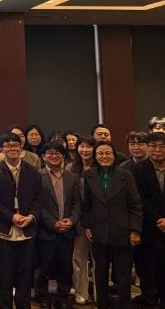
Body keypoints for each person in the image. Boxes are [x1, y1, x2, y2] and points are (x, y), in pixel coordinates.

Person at [0, 132, 42, 309]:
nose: (12, 148)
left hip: (27, 227)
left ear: (21, 147)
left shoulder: (32, 171)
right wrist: (11, 216)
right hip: (3, 228)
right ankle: (5, 305)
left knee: (25, 273)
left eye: (15, 145)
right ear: (2, 149)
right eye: (8, 145)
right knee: (5, 273)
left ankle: (23, 305)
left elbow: (39, 197)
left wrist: (31, 216)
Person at [82, 141, 142, 309]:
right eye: (100, 153)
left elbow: (135, 204)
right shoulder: (89, 175)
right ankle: (102, 304)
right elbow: (87, 205)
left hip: (122, 232)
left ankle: (125, 304)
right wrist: (87, 225)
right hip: (98, 231)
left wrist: (135, 230)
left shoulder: (126, 175)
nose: (104, 156)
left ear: (114, 156)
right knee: (100, 273)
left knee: (123, 275)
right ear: (95, 156)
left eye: (108, 153)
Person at [35, 141, 81, 309]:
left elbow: (77, 203)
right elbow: (36, 204)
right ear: (43, 156)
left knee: (65, 266)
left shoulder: (71, 177)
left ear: (63, 157)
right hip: (46, 231)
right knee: (44, 266)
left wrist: (71, 220)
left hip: (67, 230)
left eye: (58, 153)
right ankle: (42, 295)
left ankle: (62, 295)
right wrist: (52, 223)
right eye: (50, 153)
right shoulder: (37, 176)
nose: (54, 156)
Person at [133, 132, 165, 309]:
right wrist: (158, 219)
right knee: (146, 264)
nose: (157, 149)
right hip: (147, 225)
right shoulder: (137, 170)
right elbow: (138, 199)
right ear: (148, 147)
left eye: (162, 146)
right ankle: (149, 297)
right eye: (153, 146)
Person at [65, 136, 95, 305]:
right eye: (82, 147)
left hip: (97, 220)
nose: (85, 150)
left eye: (89, 147)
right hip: (78, 219)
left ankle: (99, 292)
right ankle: (81, 292)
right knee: (78, 258)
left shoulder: (101, 168)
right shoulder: (71, 168)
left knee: (99, 259)